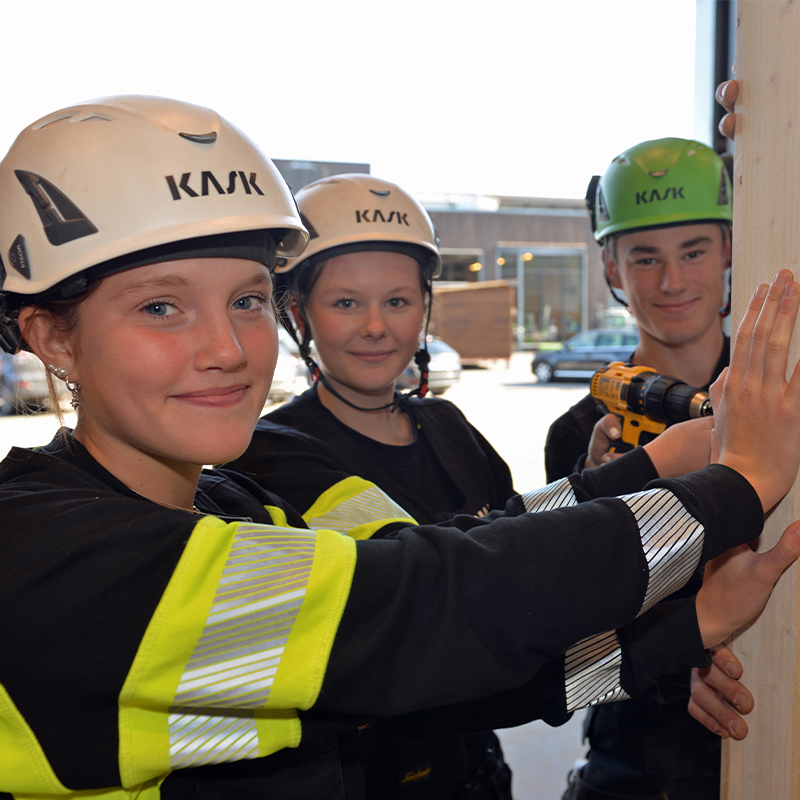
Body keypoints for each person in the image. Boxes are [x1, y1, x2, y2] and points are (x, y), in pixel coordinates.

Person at [1, 96, 800, 800]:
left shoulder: (237, 505)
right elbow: (425, 603)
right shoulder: (44, 555)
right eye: (161, 307)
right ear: (49, 336)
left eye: (244, 299)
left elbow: (427, 636)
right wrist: (737, 482)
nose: (226, 349)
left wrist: (681, 611)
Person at [229, 173, 516, 798]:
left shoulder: (448, 427)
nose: (376, 327)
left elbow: (519, 546)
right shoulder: (268, 454)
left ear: (424, 308)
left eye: (397, 300)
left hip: (473, 768)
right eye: (346, 303)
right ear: (299, 313)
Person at [547, 138, 734, 800]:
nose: (673, 282)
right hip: (634, 749)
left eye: (694, 252)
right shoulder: (580, 435)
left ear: (730, 248)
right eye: (645, 258)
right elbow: (560, 627)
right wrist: (596, 495)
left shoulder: (781, 400)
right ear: (612, 267)